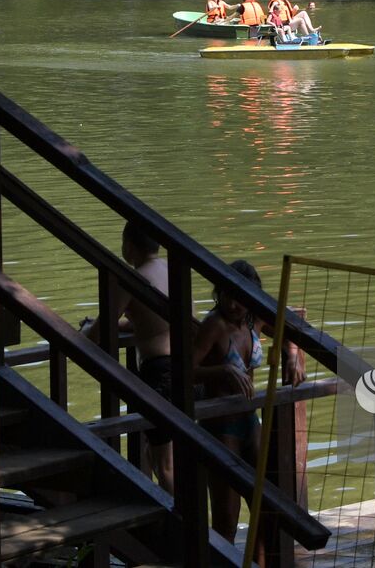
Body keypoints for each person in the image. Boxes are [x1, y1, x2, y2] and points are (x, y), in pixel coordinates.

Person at [194, 260, 304, 555]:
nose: (233, 304)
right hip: (220, 425)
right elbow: (185, 369)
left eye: (240, 296)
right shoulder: (214, 325)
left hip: (249, 420)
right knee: (226, 520)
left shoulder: (254, 319)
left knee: (265, 508)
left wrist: (291, 354)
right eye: (227, 295)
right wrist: (222, 371)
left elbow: (288, 327)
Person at [81, 222, 174, 494]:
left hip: (159, 373)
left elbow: (98, 334)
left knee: (165, 465)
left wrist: (87, 329)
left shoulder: (134, 280)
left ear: (129, 245)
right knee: (159, 456)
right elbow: (153, 322)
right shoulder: (171, 270)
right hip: (186, 368)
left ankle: (187, 530)